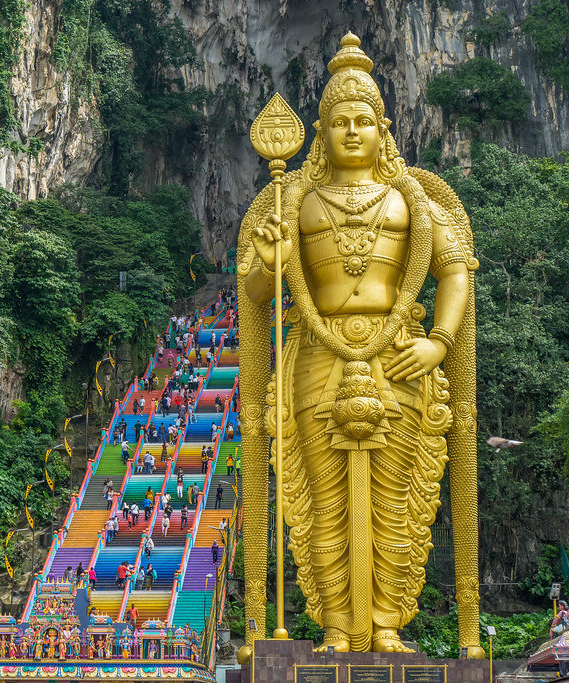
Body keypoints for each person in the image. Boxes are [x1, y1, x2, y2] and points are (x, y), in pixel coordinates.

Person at [237, 33, 481, 653]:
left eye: (363, 121)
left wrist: (440, 342)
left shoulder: (415, 200)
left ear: (384, 129)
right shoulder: (293, 198)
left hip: (398, 351)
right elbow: (261, 291)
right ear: (320, 131)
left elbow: (454, 271)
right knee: (323, 502)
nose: (351, 131)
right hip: (318, 355)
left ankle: (388, 624)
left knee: (396, 500)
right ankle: (339, 627)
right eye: (339, 121)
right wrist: (271, 259)